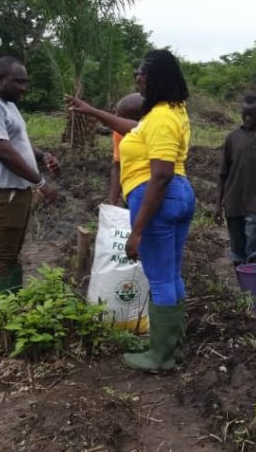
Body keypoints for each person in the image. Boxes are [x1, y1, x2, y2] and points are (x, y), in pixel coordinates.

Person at [67, 49, 194, 370]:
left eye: (140, 72)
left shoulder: (163, 116)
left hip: (159, 198)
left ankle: (161, 356)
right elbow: (133, 129)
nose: (136, 77)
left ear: (154, 77)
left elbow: (161, 174)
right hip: (175, 197)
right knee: (171, 275)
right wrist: (94, 112)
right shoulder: (165, 112)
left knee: (161, 279)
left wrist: (136, 231)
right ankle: (174, 349)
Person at [0, 57, 60, 301]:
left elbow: (19, 141)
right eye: (18, 82)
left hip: (14, 190)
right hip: (1, 191)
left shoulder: (6, 103)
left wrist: (43, 155)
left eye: (25, 82)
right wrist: (40, 183)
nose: (23, 88)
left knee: (11, 252)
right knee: (0, 255)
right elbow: (3, 151)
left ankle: (10, 303)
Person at [215, 94, 256, 269]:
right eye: (245, 114)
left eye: (253, 114)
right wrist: (218, 204)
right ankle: (244, 289)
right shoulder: (233, 138)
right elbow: (222, 173)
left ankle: (255, 288)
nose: (248, 118)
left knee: (255, 248)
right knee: (237, 249)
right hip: (234, 202)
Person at [109, 92, 144, 205]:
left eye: (120, 115)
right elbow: (118, 166)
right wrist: (112, 204)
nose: (115, 118)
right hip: (132, 189)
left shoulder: (155, 132)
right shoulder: (119, 132)